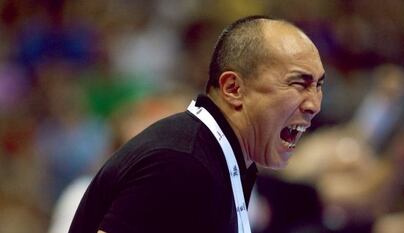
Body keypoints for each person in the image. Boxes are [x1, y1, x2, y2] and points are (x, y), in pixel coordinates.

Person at [69, 15, 325, 233]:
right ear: (233, 88)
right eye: (298, 83)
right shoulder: (178, 163)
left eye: (318, 85)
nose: (314, 104)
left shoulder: (223, 158)